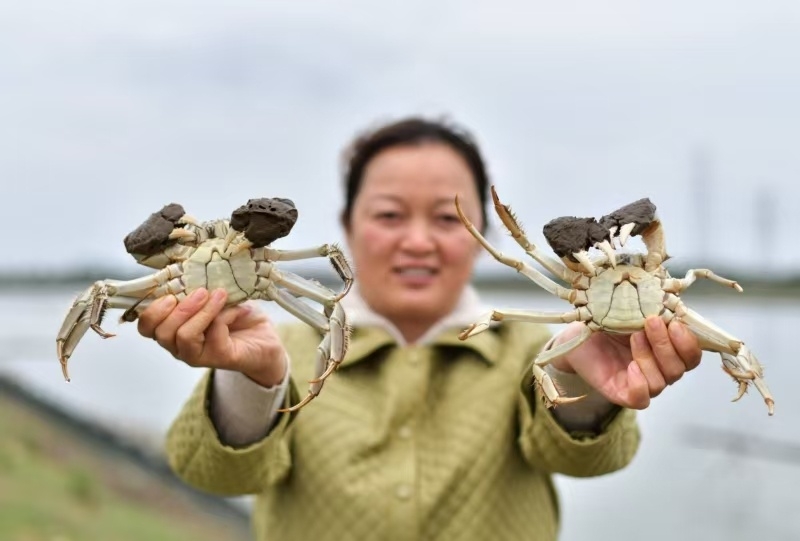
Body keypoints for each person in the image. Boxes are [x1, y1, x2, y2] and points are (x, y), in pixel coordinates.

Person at [138, 116, 702, 541]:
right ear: (347, 226)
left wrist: (582, 376)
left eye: (446, 217)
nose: (417, 241)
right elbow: (212, 472)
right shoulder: (281, 341)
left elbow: (586, 458)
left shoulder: (539, 348)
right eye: (389, 214)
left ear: (485, 230)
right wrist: (251, 380)